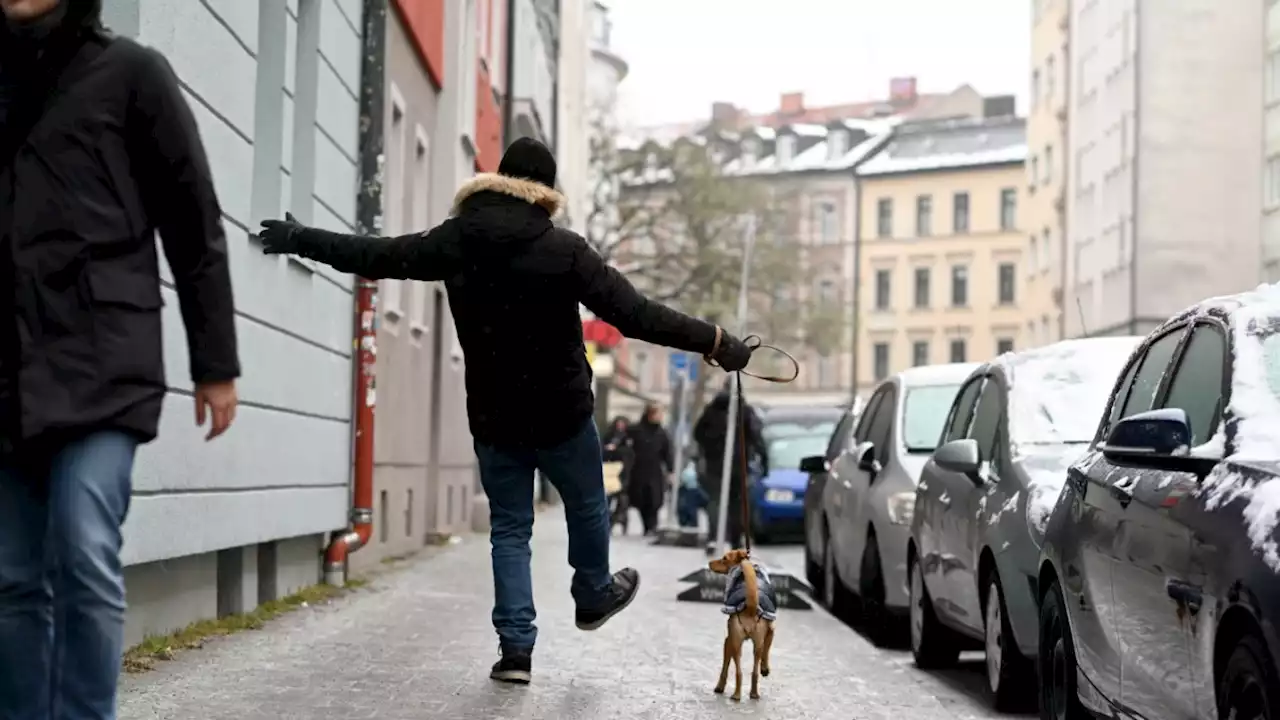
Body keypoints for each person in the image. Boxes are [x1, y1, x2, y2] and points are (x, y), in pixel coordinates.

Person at [256, 137, 751, 684]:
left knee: (509, 530)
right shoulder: (565, 249)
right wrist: (716, 340)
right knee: (586, 506)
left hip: (495, 416)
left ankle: (515, 651)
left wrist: (298, 238)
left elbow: (375, 254)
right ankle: (592, 596)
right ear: (544, 192)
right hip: (562, 413)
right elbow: (636, 315)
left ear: (498, 180)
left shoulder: (455, 240)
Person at [0, 1, 240, 717]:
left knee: (81, 540)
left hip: (105, 356)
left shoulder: (133, 74)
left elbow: (193, 221)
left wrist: (215, 363)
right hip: (9, 365)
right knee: (11, 576)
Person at [693, 379, 768, 554]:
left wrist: (709, 449)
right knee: (737, 504)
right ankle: (735, 539)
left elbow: (698, 434)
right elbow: (756, 437)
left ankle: (714, 537)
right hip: (738, 464)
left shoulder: (712, 410)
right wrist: (762, 459)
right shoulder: (744, 410)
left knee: (716, 502)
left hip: (716, 464)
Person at [626, 403, 672, 536]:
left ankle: (652, 526)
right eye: (658, 414)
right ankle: (648, 526)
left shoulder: (661, 432)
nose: (661, 417)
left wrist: (670, 469)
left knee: (655, 500)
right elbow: (626, 444)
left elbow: (667, 451)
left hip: (655, 471)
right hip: (638, 470)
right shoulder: (636, 429)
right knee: (641, 499)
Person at [600, 416, 633, 534]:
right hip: (610, 471)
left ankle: (618, 520)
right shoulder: (609, 436)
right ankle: (608, 522)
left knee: (622, 500)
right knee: (607, 499)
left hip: (623, 472)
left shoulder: (628, 438)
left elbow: (629, 455)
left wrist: (616, 449)